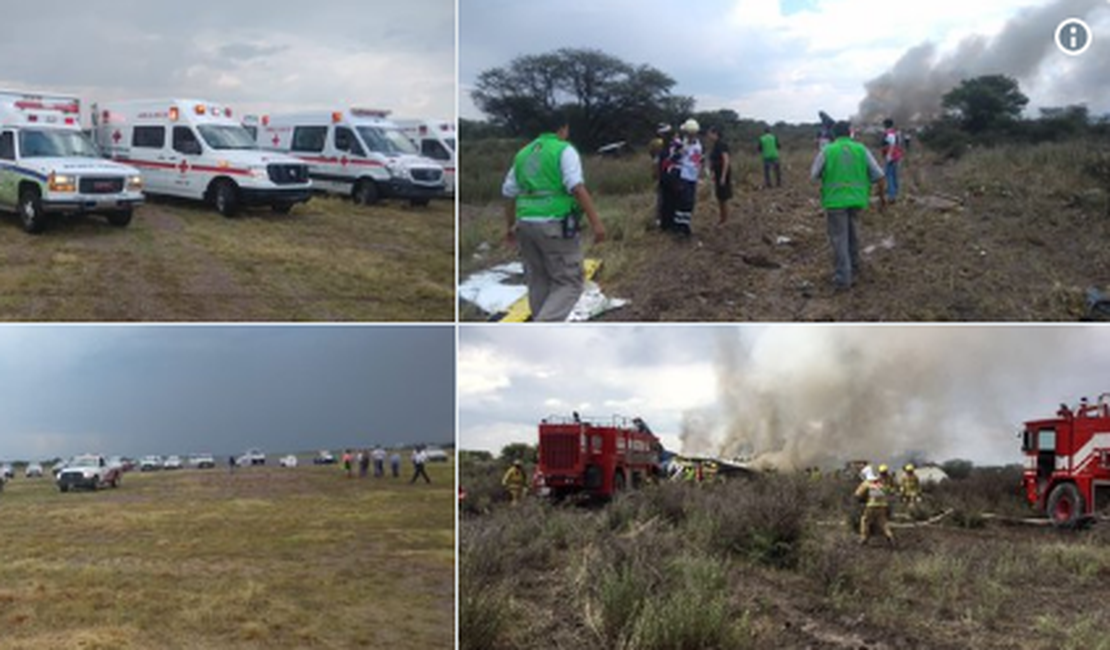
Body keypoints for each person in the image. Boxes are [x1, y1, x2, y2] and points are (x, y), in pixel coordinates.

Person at [502, 113, 606, 322]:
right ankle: (542, 328)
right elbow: (576, 187)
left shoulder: (523, 153)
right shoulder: (563, 150)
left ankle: (540, 331)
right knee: (570, 283)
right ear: (563, 129)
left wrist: (511, 225)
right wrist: (597, 223)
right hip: (553, 225)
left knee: (539, 280)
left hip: (525, 225)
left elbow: (508, 192)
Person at [810, 121, 887, 291]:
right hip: (857, 201)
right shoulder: (861, 149)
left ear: (833, 135)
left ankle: (843, 279)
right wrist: (882, 200)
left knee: (839, 240)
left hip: (835, 202)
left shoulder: (827, 150)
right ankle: (855, 269)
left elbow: (813, 175)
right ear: (850, 133)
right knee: (853, 235)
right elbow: (879, 176)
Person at [672, 118, 702, 237]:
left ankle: (685, 225)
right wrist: (680, 151)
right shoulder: (681, 144)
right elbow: (674, 158)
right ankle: (679, 227)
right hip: (683, 176)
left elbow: (698, 159)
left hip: (692, 177)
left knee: (689, 203)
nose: (691, 136)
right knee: (683, 202)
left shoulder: (698, 144)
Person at [855, 464, 895, 547]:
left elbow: (857, 494)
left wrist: (861, 499)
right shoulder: (880, 482)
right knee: (883, 522)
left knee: (865, 520)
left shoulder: (866, 483)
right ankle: (889, 536)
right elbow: (888, 491)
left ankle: (864, 538)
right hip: (883, 505)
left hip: (871, 505)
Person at [705, 126, 733, 225]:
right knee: (719, 197)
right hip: (717, 174)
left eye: (710, 133)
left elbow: (726, 161)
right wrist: (713, 173)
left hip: (722, 174)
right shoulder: (715, 145)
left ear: (715, 133)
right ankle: (722, 218)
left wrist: (723, 176)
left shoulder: (722, 144)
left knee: (723, 197)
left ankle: (725, 220)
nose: (708, 136)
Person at [881, 119, 905, 203]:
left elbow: (892, 144)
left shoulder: (889, 133)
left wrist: (889, 155)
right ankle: (895, 192)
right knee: (894, 174)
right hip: (896, 156)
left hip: (891, 157)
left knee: (889, 175)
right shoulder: (895, 133)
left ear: (885, 125)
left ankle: (892, 195)